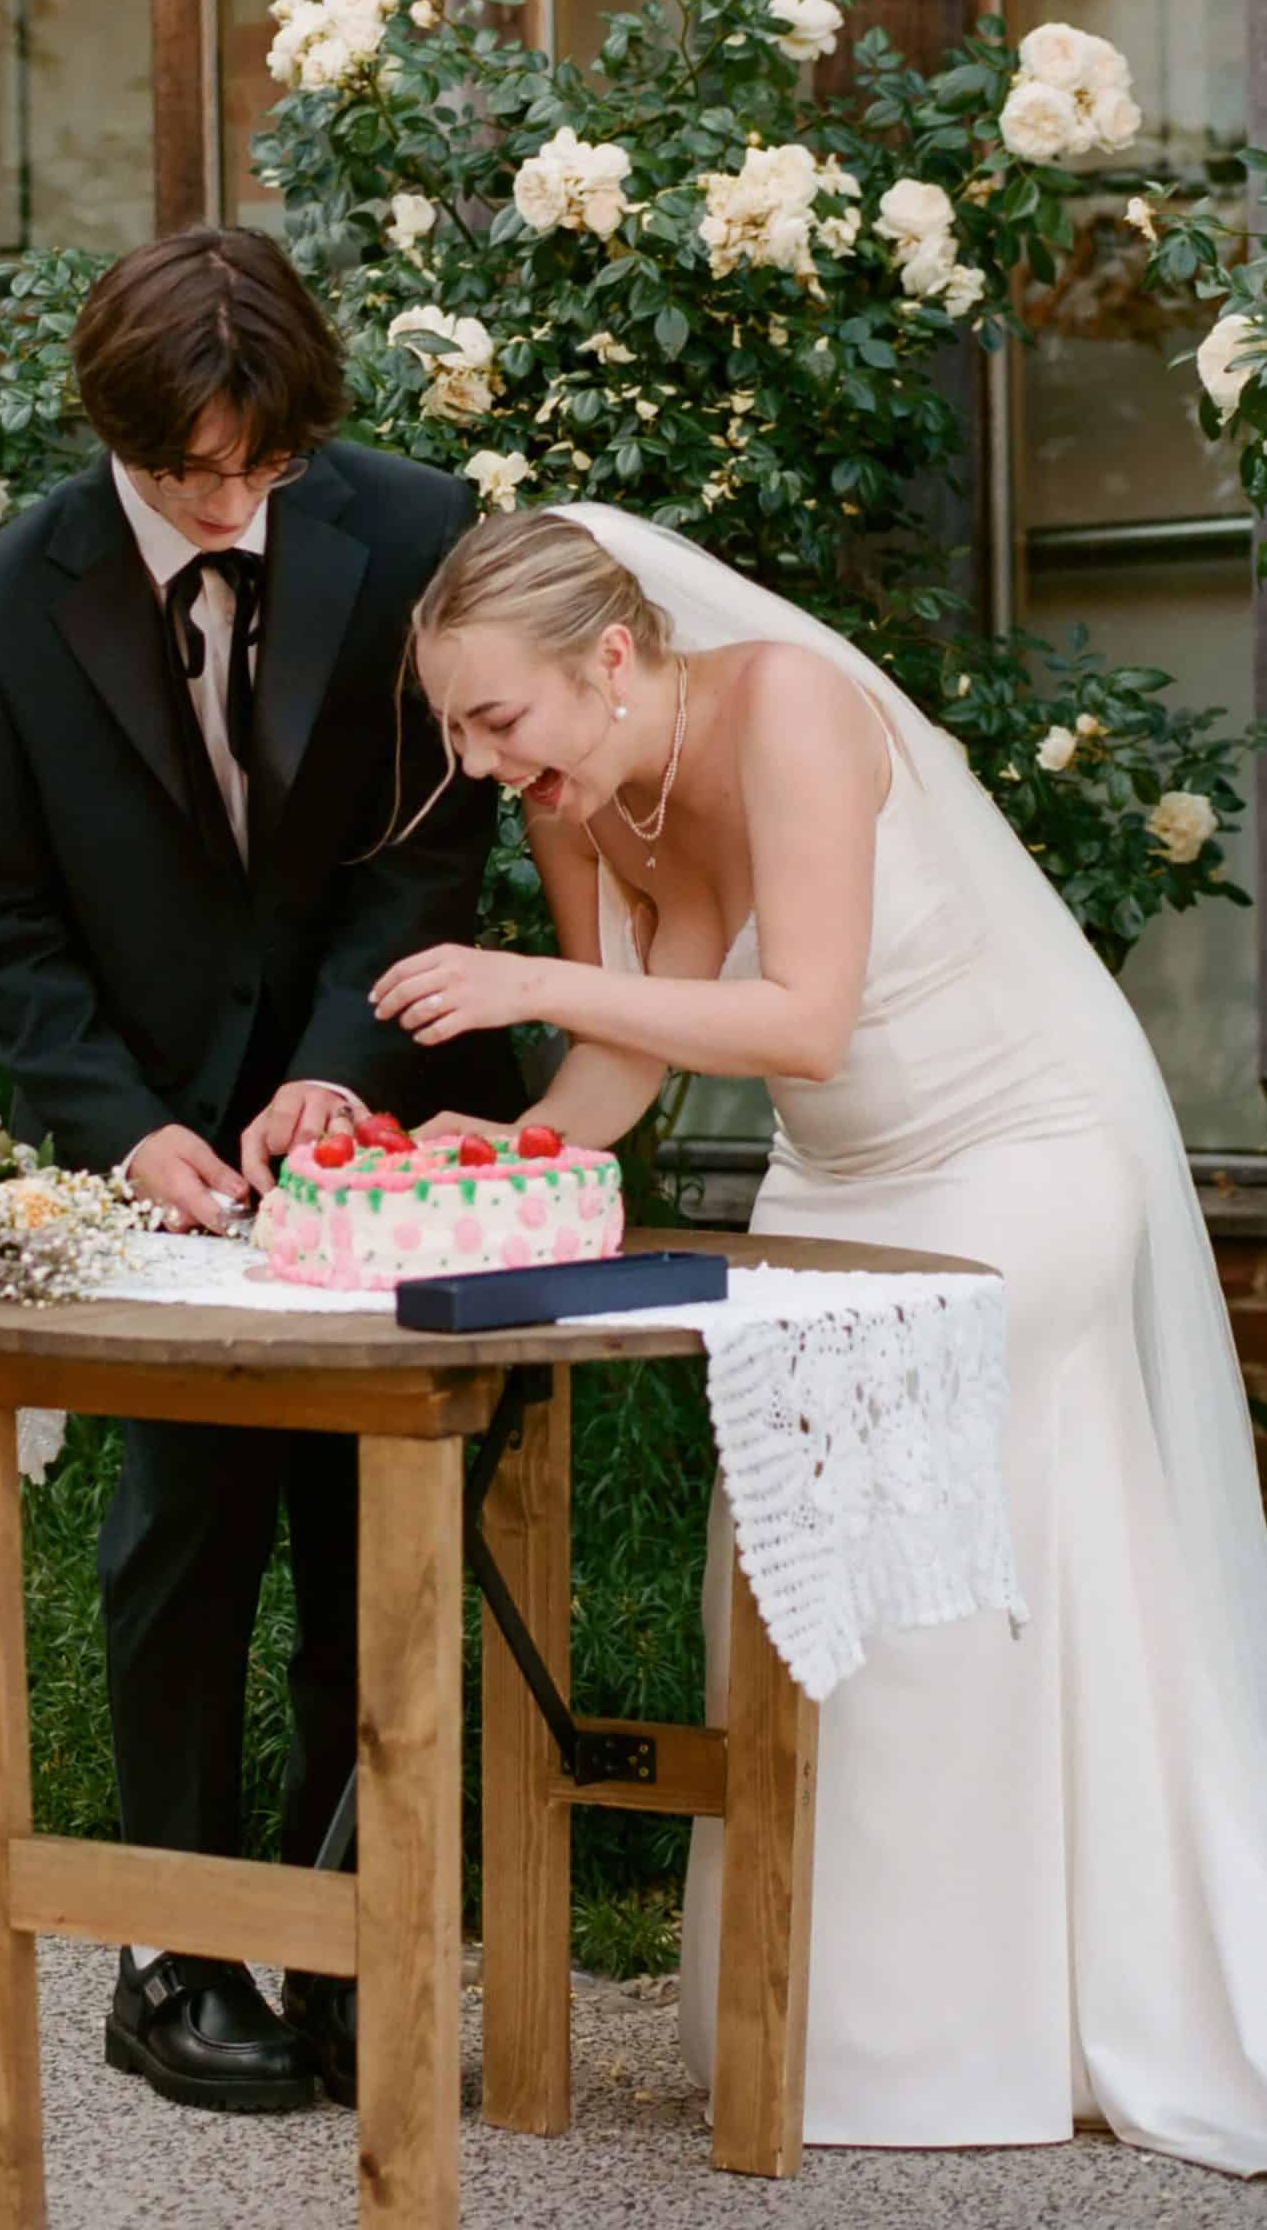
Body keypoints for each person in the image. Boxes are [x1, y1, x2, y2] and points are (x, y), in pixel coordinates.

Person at [371, 501, 1267, 2176]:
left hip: (1018, 1161)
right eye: (453, 731)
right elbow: (623, 1073)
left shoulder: (785, 701)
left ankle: (997, 2034)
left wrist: (535, 991)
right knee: (786, 1554)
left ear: (614, 658)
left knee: (913, 1533)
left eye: (497, 721)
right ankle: (814, 2032)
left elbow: (800, 1014)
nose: (484, 766)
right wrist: (477, 1160)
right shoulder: (584, 800)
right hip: (839, 1184)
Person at [0, 227, 520, 2117]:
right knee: (179, 1540)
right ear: (115, 435)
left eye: (260, 466)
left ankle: (358, 1932)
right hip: (154, 1140)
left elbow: (432, 850)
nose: (230, 499)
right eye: (191, 471)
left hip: (393, 1112)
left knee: (380, 1538)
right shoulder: (9, 596)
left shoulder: (412, 526)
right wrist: (125, 1125)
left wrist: (338, 1075)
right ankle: (179, 1953)